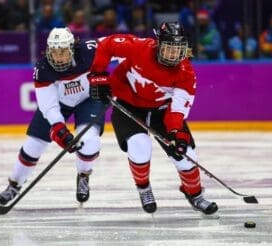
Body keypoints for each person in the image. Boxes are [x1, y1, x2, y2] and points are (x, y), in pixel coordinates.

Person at [88, 22, 218, 215]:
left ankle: (195, 194)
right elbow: (106, 44)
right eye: (169, 49)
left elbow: (177, 109)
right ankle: (144, 188)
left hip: (162, 112)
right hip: (127, 104)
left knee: (186, 155)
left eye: (178, 50)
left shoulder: (186, 73)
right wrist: (98, 74)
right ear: (158, 44)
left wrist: (177, 133)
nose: (173, 55)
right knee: (139, 147)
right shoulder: (139, 47)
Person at [0, 27, 106, 206]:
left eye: (62, 51)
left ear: (72, 48)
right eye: (54, 52)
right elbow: (48, 105)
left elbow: (121, 46)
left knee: (90, 141)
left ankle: (84, 175)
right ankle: (14, 185)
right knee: (33, 146)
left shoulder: (90, 50)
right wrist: (59, 128)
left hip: (89, 99)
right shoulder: (43, 68)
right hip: (59, 104)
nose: (58, 57)